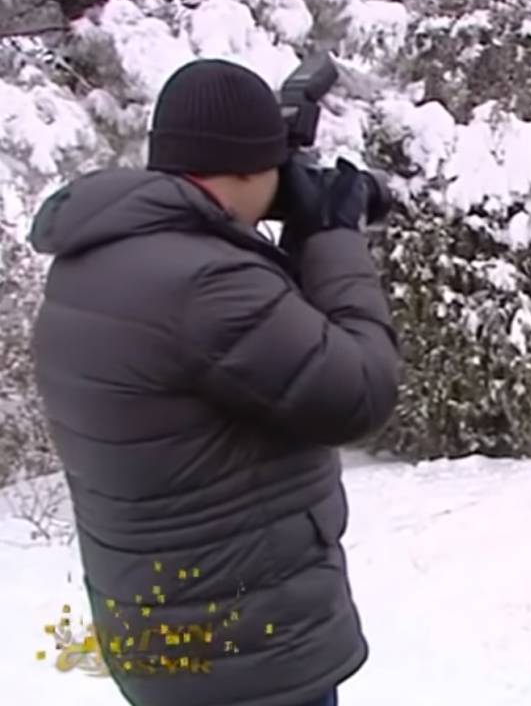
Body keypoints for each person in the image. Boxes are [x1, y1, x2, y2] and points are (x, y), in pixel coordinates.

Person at [28, 58, 400, 705]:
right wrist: (333, 237)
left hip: (166, 634)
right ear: (256, 171)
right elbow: (360, 391)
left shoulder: (95, 259)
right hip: (249, 651)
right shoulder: (208, 284)